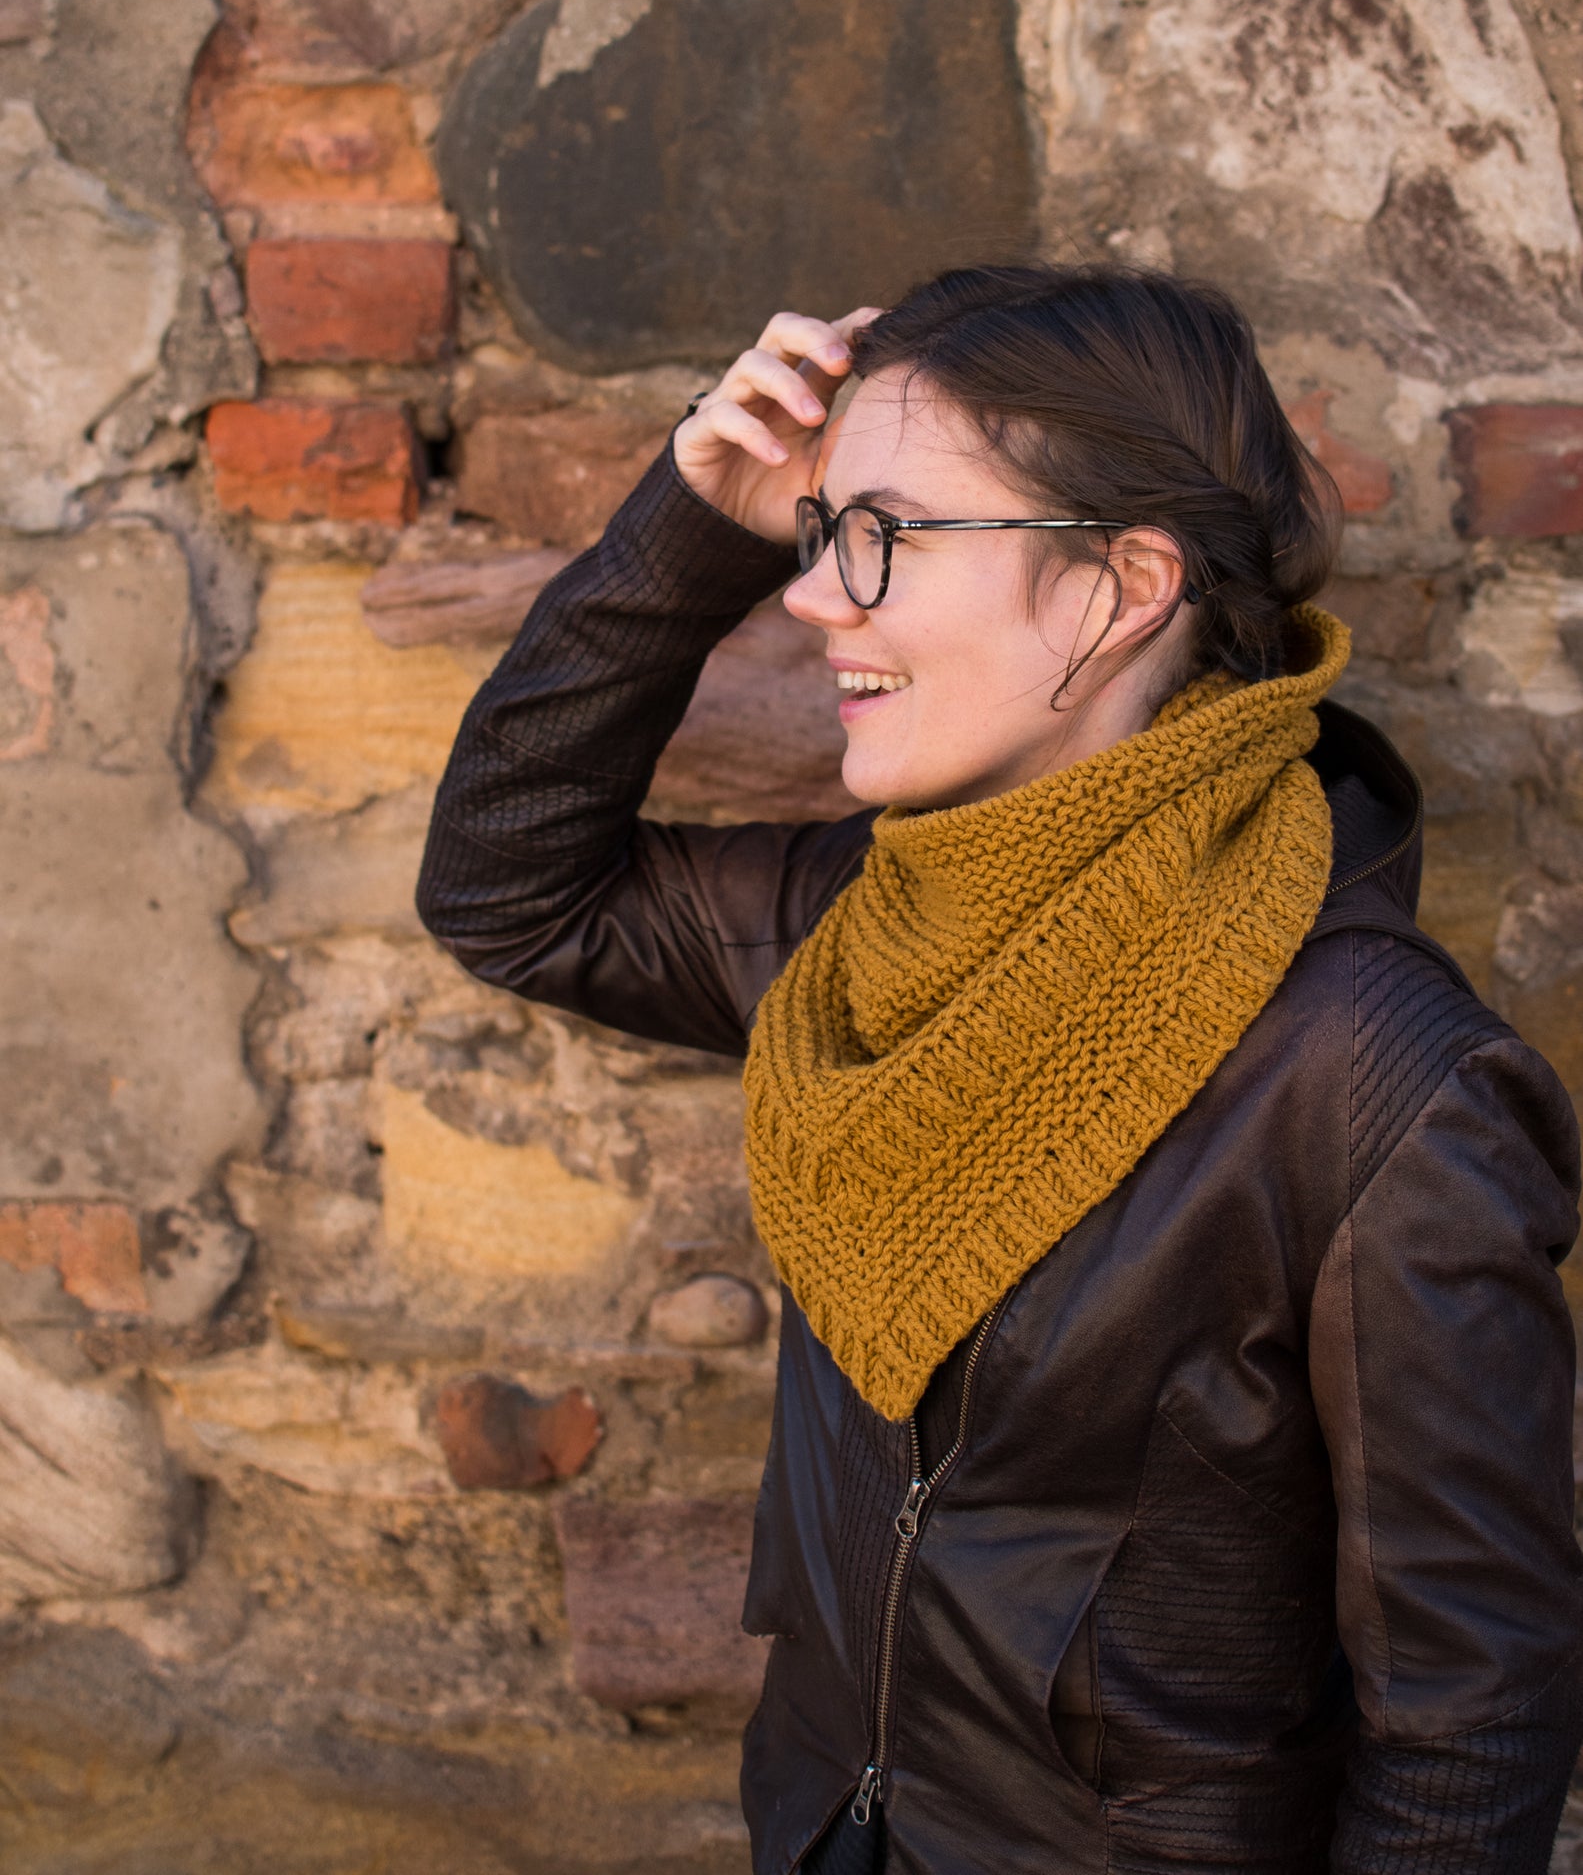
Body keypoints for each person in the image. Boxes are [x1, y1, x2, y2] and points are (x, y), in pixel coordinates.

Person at [417, 265, 1583, 1874]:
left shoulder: (1373, 1084)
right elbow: (508, 891)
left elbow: (1473, 1717)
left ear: (1118, 588)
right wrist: (687, 533)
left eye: (878, 537)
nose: (816, 597)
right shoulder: (858, 920)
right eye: (818, 536)